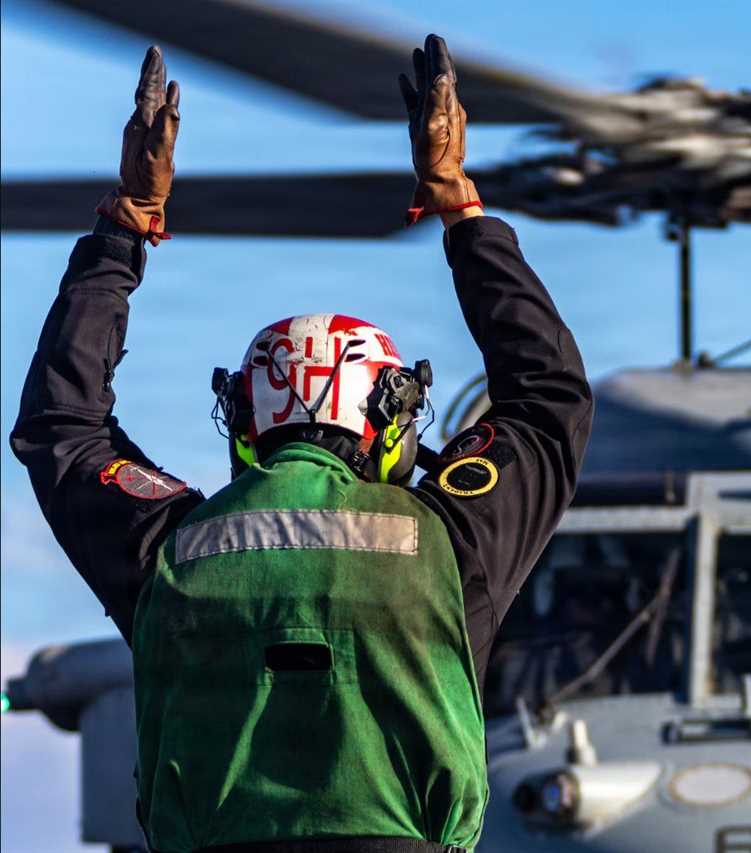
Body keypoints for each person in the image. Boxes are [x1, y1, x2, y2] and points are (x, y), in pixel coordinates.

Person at [9, 35, 592, 853]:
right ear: (388, 420)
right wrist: (461, 209)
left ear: (247, 421)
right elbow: (548, 398)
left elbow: (63, 426)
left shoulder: (169, 548)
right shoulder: (446, 542)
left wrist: (124, 231)